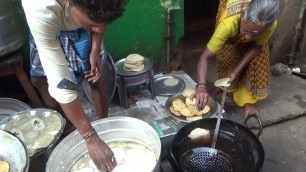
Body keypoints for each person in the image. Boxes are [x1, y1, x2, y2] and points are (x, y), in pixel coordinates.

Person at [21, 0, 126, 171]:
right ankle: (71, 128)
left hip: (82, 21)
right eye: (92, 24)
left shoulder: (96, 12)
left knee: (95, 75)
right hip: (51, 29)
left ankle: (104, 124)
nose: (98, 28)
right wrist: (90, 137)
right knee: (40, 81)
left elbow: (101, 20)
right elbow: (59, 82)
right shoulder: (39, 9)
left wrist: (95, 50)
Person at [193, 0, 280, 117]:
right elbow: (205, 57)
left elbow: (256, 47)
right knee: (228, 53)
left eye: (255, 34)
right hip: (232, 16)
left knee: (258, 61)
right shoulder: (227, 23)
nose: (248, 37)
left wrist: (236, 71)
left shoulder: (269, 25)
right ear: (243, 14)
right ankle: (225, 87)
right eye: (247, 31)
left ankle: (247, 101)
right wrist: (201, 87)